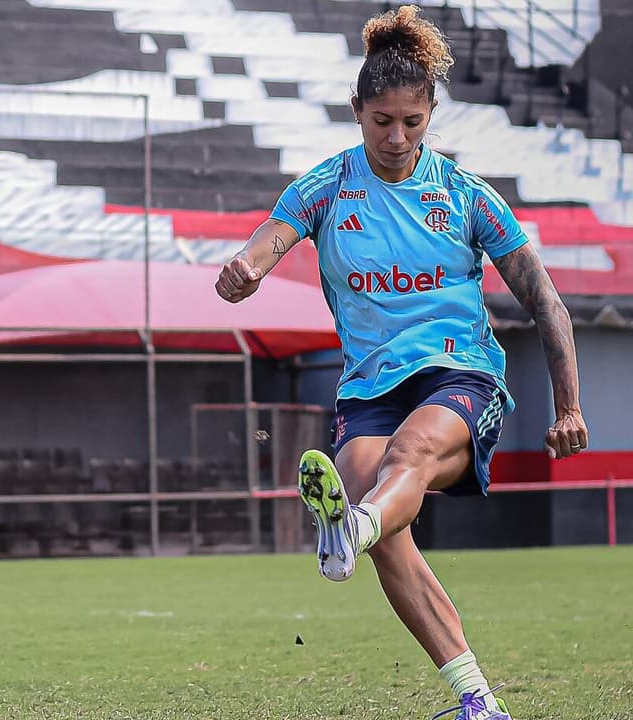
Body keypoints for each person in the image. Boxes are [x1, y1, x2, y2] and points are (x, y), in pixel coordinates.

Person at [215, 7, 588, 720]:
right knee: (381, 514)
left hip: (460, 377)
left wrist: (568, 406)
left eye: (411, 121)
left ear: (430, 113)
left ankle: (348, 529)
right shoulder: (327, 186)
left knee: (405, 461)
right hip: (369, 386)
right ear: (357, 111)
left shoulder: (468, 196)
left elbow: (546, 301)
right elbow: (268, 238)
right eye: (381, 119)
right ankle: (477, 701)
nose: (395, 137)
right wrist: (246, 269)